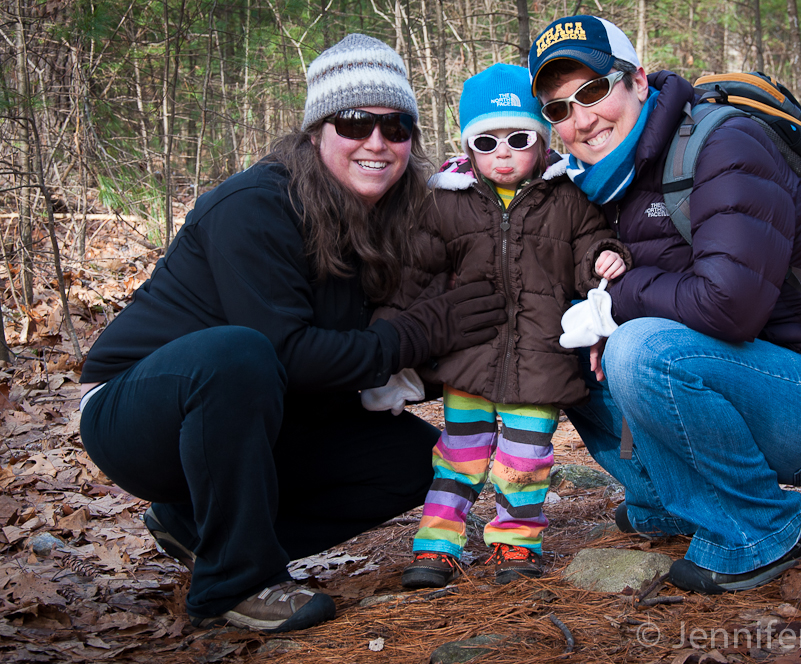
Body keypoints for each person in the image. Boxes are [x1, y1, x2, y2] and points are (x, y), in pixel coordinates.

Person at [77, 34, 507, 633]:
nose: (376, 142)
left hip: (261, 412)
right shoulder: (254, 206)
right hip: (139, 414)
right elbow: (286, 354)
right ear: (315, 132)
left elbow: (361, 359)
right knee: (238, 352)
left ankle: (199, 531)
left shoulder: (397, 215)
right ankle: (236, 581)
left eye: (396, 126)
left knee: (413, 461)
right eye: (354, 123)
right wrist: (422, 333)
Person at [528, 16, 801, 594]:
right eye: (558, 110)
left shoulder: (724, 143)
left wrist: (614, 301)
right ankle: (672, 502)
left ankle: (763, 526)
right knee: (557, 340)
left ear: (638, 82)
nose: (581, 119)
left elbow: (729, 307)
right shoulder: (606, 182)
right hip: (750, 381)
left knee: (637, 346)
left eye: (593, 91)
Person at [380, 63, 630, 589]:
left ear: (542, 142)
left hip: (540, 361)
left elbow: (590, 245)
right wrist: (392, 349)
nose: (504, 153)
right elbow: (417, 277)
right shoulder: (445, 203)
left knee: (525, 461)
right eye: (487, 142)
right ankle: (436, 545)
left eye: (519, 139)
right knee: (458, 457)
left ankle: (515, 543)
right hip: (469, 359)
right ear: (468, 148)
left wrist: (605, 257)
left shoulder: (568, 198)